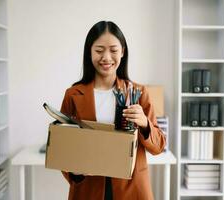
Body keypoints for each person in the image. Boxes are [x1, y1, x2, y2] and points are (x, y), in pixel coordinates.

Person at [60, 21, 166, 200]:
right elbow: (63, 146)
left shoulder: (138, 93)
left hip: (132, 188)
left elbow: (158, 147)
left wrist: (145, 124)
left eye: (113, 50)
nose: (106, 57)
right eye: (99, 50)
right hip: (88, 188)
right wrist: (74, 171)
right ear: (89, 52)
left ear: (123, 51)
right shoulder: (73, 95)